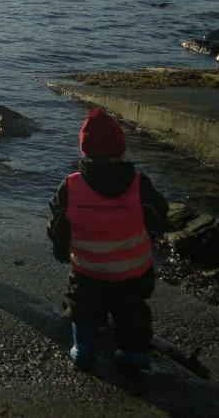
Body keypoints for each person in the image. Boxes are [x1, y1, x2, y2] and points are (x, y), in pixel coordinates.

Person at [48, 109, 169, 370]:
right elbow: (160, 214)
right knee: (133, 311)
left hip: (88, 270)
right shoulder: (139, 183)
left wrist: (60, 249)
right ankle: (135, 353)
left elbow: (58, 225)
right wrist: (154, 233)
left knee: (81, 307)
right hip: (133, 271)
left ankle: (82, 350)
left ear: (84, 149)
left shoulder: (71, 186)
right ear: (121, 148)